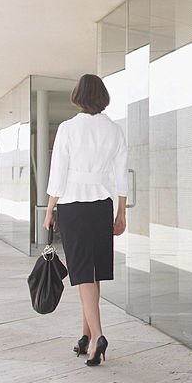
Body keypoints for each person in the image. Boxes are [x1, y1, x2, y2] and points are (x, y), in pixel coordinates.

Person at [43, 74, 127, 366]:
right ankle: (85, 336)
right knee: (92, 273)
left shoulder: (68, 129)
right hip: (102, 205)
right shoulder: (115, 130)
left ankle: (98, 337)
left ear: (78, 95)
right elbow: (121, 175)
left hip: (73, 205)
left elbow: (59, 172)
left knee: (82, 274)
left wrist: (49, 209)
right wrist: (121, 212)